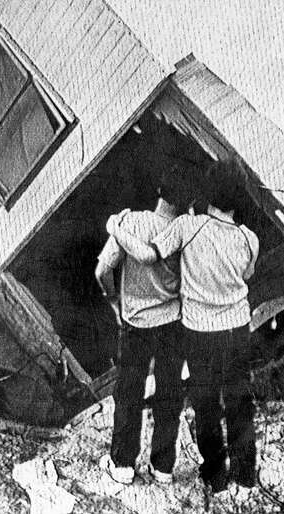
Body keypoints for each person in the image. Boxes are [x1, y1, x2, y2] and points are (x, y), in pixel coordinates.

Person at [109, 159, 260, 505]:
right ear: (239, 200)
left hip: (199, 330)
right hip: (237, 328)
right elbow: (248, 276)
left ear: (207, 195)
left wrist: (116, 228)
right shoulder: (249, 238)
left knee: (206, 405)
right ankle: (245, 478)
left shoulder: (187, 228)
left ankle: (217, 480)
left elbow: (147, 255)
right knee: (239, 399)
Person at [94, 193, 184, 486]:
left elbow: (102, 270)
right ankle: (163, 468)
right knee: (169, 393)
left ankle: (122, 465)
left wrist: (113, 300)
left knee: (129, 392)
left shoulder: (131, 222)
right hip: (173, 323)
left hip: (136, 322)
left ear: (159, 192)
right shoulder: (186, 232)